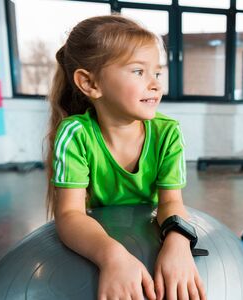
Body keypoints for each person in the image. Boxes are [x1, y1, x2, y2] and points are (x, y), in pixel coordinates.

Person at [45, 15, 206, 300]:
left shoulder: (167, 133)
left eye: (157, 73)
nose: (155, 84)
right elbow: (69, 214)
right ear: (89, 83)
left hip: (149, 234)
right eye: (138, 71)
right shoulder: (75, 134)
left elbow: (171, 203)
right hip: (99, 236)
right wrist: (112, 256)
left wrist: (178, 242)